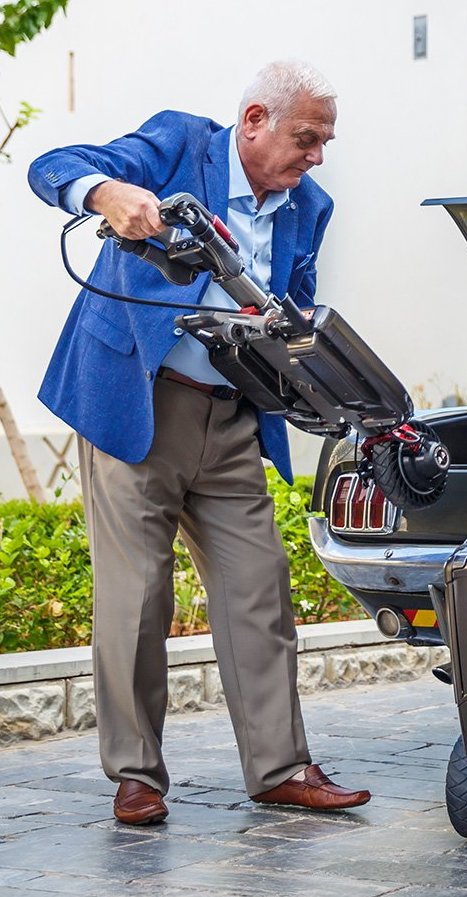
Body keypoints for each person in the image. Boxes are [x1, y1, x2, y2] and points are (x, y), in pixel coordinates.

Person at [28, 60, 370, 825]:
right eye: (306, 138)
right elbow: (54, 166)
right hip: (134, 404)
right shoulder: (179, 145)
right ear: (254, 121)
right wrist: (107, 193)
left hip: (230, 418)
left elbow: (298, 304)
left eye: (324, 143)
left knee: (261, 584)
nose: (316, 157)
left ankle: (280, 766)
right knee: (136, 595)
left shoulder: (307, 206)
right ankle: (136, 773)